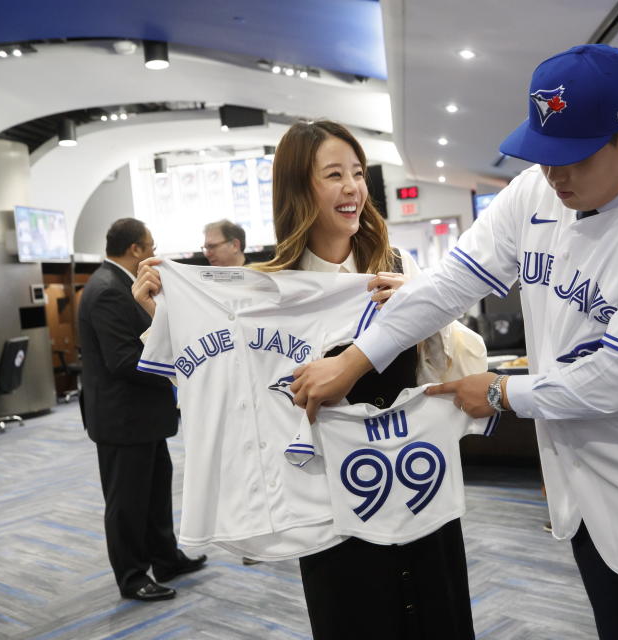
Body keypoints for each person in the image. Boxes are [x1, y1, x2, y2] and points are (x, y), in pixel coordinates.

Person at [291, 45, 618, 640]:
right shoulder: (535, 193)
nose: (555, 175)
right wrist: (356, 359)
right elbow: (449, 284)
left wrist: (501, 393)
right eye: (545, 155)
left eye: (573, 156)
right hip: (587, 499)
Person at [132, 121, 475, 639]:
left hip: (418, 487)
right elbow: (228, 390)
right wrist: (167, 314)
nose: (352, 188)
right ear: (298, 190)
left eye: (357, 173)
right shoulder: (267, 292)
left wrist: (422, 305)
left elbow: (461, 368)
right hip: (331, 513)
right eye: (333, 175)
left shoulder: (398, 268)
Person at [78, 218, 206, 602]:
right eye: (149, 247)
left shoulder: (120, 284)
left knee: (153, 492)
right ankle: (133, 576)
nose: (152, 253)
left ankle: (165, 558)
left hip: (142, 416)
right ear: (134, 249)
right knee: (127, 502)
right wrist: (179, 370)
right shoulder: (107, 290)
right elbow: (122, 360)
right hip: (123, 418)